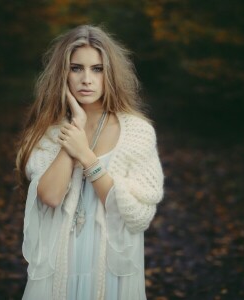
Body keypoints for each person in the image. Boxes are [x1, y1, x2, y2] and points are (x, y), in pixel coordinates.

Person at [15, 24, 164, 300]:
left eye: (97, 69)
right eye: (76, 68)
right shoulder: (48, 131)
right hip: (61, 263)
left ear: (111, 74)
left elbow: (136, 215)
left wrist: (85, 155)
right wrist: (73, 137)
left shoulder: (136, 131)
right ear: (63, 74)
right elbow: (49, 196)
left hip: (112, 269)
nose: (87, 79)